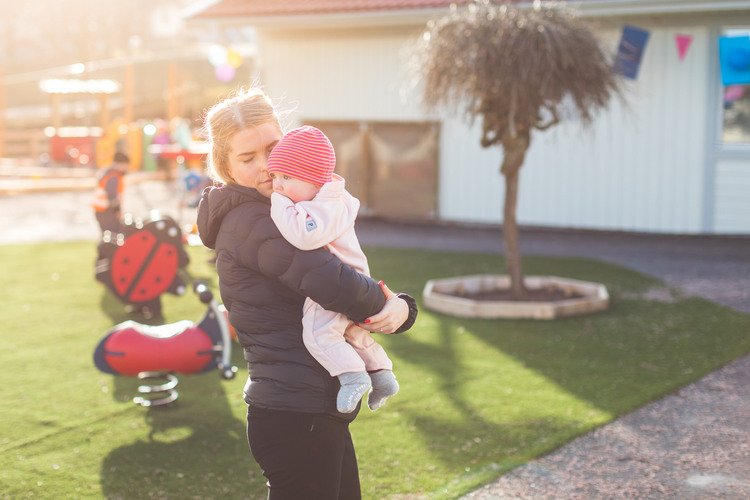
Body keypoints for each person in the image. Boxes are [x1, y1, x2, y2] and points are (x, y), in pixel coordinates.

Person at [196, 87, 418, 499]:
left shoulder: (282, 211)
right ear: (224, 166)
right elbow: (329, 281)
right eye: (247, 158)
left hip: (307, 409)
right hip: (295, 413)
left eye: (273, 148)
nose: (266, 168)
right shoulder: (251, 220)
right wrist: (398, 307)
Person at [266, 125, 399, 414]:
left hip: (339, 280)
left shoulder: (326, 206)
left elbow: (303, 235)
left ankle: (352, 377)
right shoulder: (325, 201)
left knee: (318, 333)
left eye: (286, 177)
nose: (277, 185)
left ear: (314, 181)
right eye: (274, 177)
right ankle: (382, 375)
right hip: (350, 279)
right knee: (352, 333)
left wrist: (278, 204)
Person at [92, 151, 129, 234]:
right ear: (120, 164)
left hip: (102, 209)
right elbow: (112, 194)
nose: (127, 168)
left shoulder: (109, 173)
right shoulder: (114, 176)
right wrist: (117, 211)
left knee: (108, 234)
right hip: (106, 210)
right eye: (126, 165)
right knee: (113, 235)